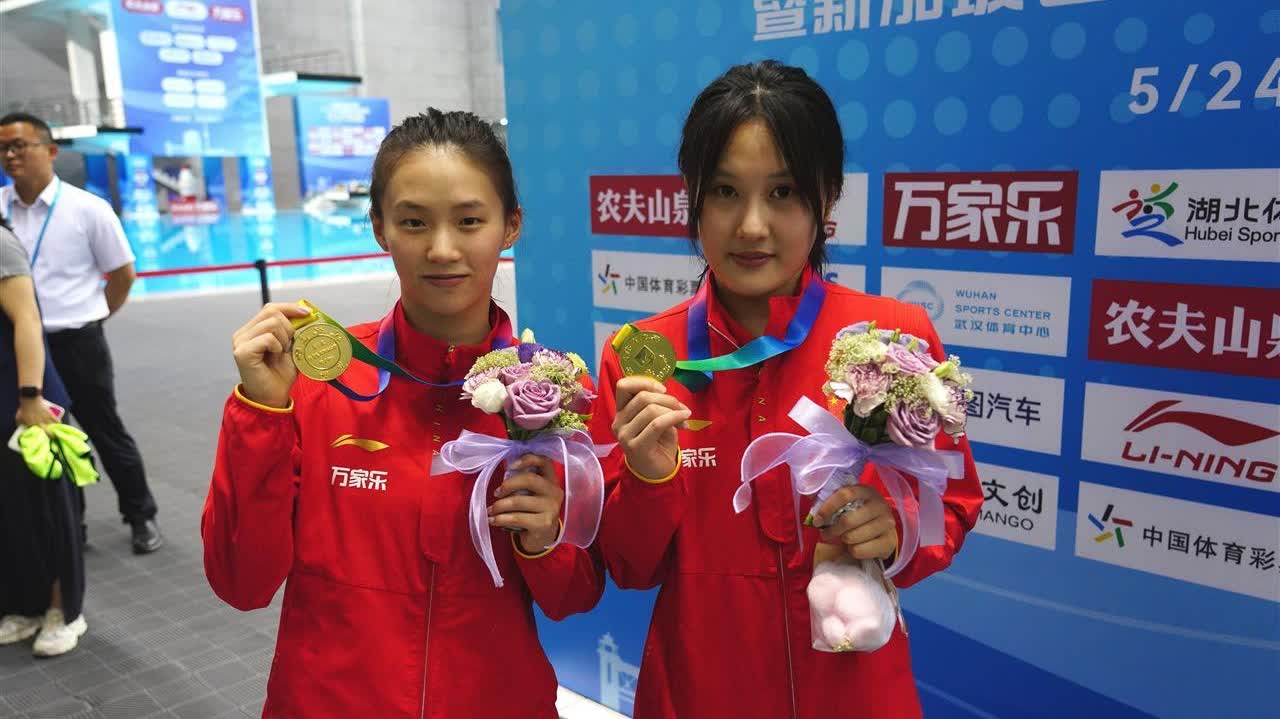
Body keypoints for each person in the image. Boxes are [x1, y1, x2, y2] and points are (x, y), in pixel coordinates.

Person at [591, 61, 984, 718]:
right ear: (692, 196)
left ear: (827, 199)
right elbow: (629, 566)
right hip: (698, 693)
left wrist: (897, 529)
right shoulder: (642, 361)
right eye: (724, 191)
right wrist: (651, 480)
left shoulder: (895, 339)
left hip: (856, 694)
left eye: (782, 192)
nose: (751, 226)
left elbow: (955, 502)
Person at [203, 108, 605, 717]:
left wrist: (545, 541)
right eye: (414, 222)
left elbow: (575, 597)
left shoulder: (556, 394)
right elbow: (242, 583)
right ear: (379, 228)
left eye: (469, 221)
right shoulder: (316, 383)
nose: (442, 249)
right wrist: (261, 413)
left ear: (511, 226)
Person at [0, 112, 162, 554]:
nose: (10, 155)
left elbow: (122, 274)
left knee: (104, 430)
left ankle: (141, 515)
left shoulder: (87, 209)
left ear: (50, 151)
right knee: (48, 434)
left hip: (77, 341)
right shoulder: (0, 208)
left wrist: (96, 317)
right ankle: (74, 524)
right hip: (21, 348)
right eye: (3, 148)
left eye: (19, 145)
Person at [0, 216, 88, 657]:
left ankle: (63, 611)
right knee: (11, 514)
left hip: (24, 398)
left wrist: (31, 395)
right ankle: (26, 605)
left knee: (49, 511)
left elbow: (27, 319)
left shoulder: (1, 244)